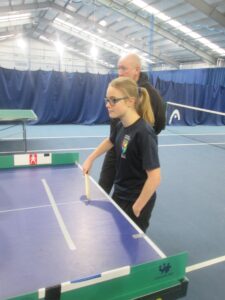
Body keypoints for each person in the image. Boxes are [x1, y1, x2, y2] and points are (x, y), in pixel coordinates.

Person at [83, 77, 161, 232]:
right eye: (107, 99)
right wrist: (90, 159)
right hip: (119, 195)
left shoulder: (144, 133)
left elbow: (155, 177)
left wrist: (138, 206)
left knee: (131, 247)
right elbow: (110, 141)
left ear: (130, 101)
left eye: (113, 100)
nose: (107, 105)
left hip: (136, 200)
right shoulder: (121, 126)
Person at [99, 53, 165, 194]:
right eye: (118, 68)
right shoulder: (118, 88)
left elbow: (159, 124)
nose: (120, 72)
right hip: (115, 146)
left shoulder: (151, 94)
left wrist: (137, 141)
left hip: (133, 155)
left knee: (132, 192)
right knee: (103, 188)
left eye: (124, 69)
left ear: (137, 70)